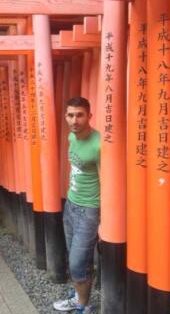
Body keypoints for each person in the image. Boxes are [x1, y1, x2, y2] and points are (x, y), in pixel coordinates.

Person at [53, 97, 100, 313]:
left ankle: (83, 306)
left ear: (89, 116)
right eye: (71, 115)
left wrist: (103, 218)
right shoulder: (72, 136)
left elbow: (106, 180)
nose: (75, 120)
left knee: (78, 262)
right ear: (66, 117)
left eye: (80, 115)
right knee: (73, 254)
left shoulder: (98, 144)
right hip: (71, 205)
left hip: (90, 209)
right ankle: (78, 296)